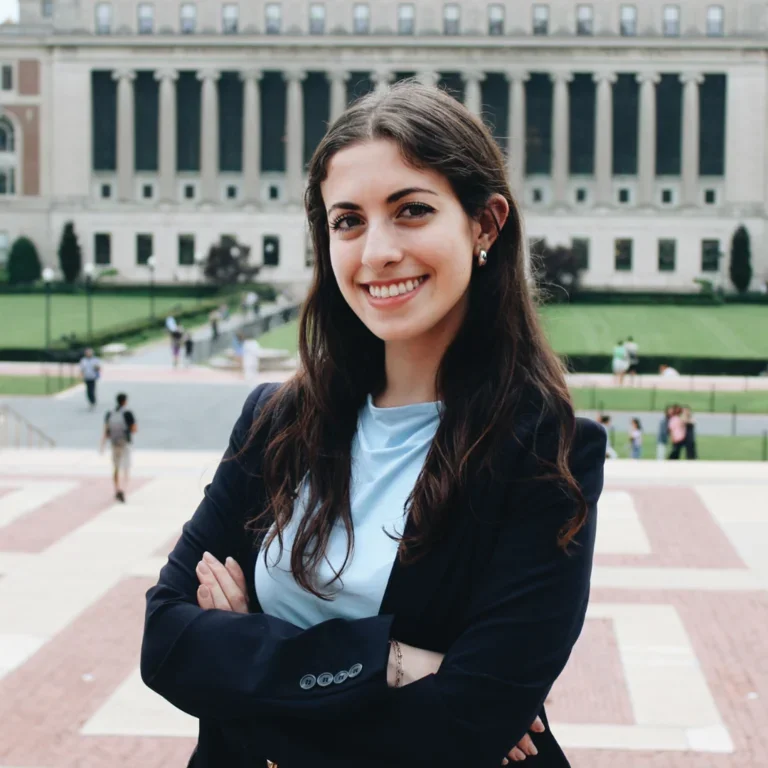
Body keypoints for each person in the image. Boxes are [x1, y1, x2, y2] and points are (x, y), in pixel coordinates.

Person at [141, 81, 607, 768]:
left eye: (411, 211)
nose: (376, 251)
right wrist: (386, 662)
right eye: (348, 221)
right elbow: (167, 642)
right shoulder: (275, 421)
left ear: (485, 224)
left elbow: (465, 724)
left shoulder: (548, 451)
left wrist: (245, 664)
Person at [100, 392, 136, 502]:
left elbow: (106, 431)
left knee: (116, 468)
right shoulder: (128, 413)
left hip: (114, 443)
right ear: (125, 401)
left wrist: (102, 444)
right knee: (126, 468)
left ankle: (117, 488)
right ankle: (123, 489)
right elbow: (134, 429)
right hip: (125, 443)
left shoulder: (109, 413)